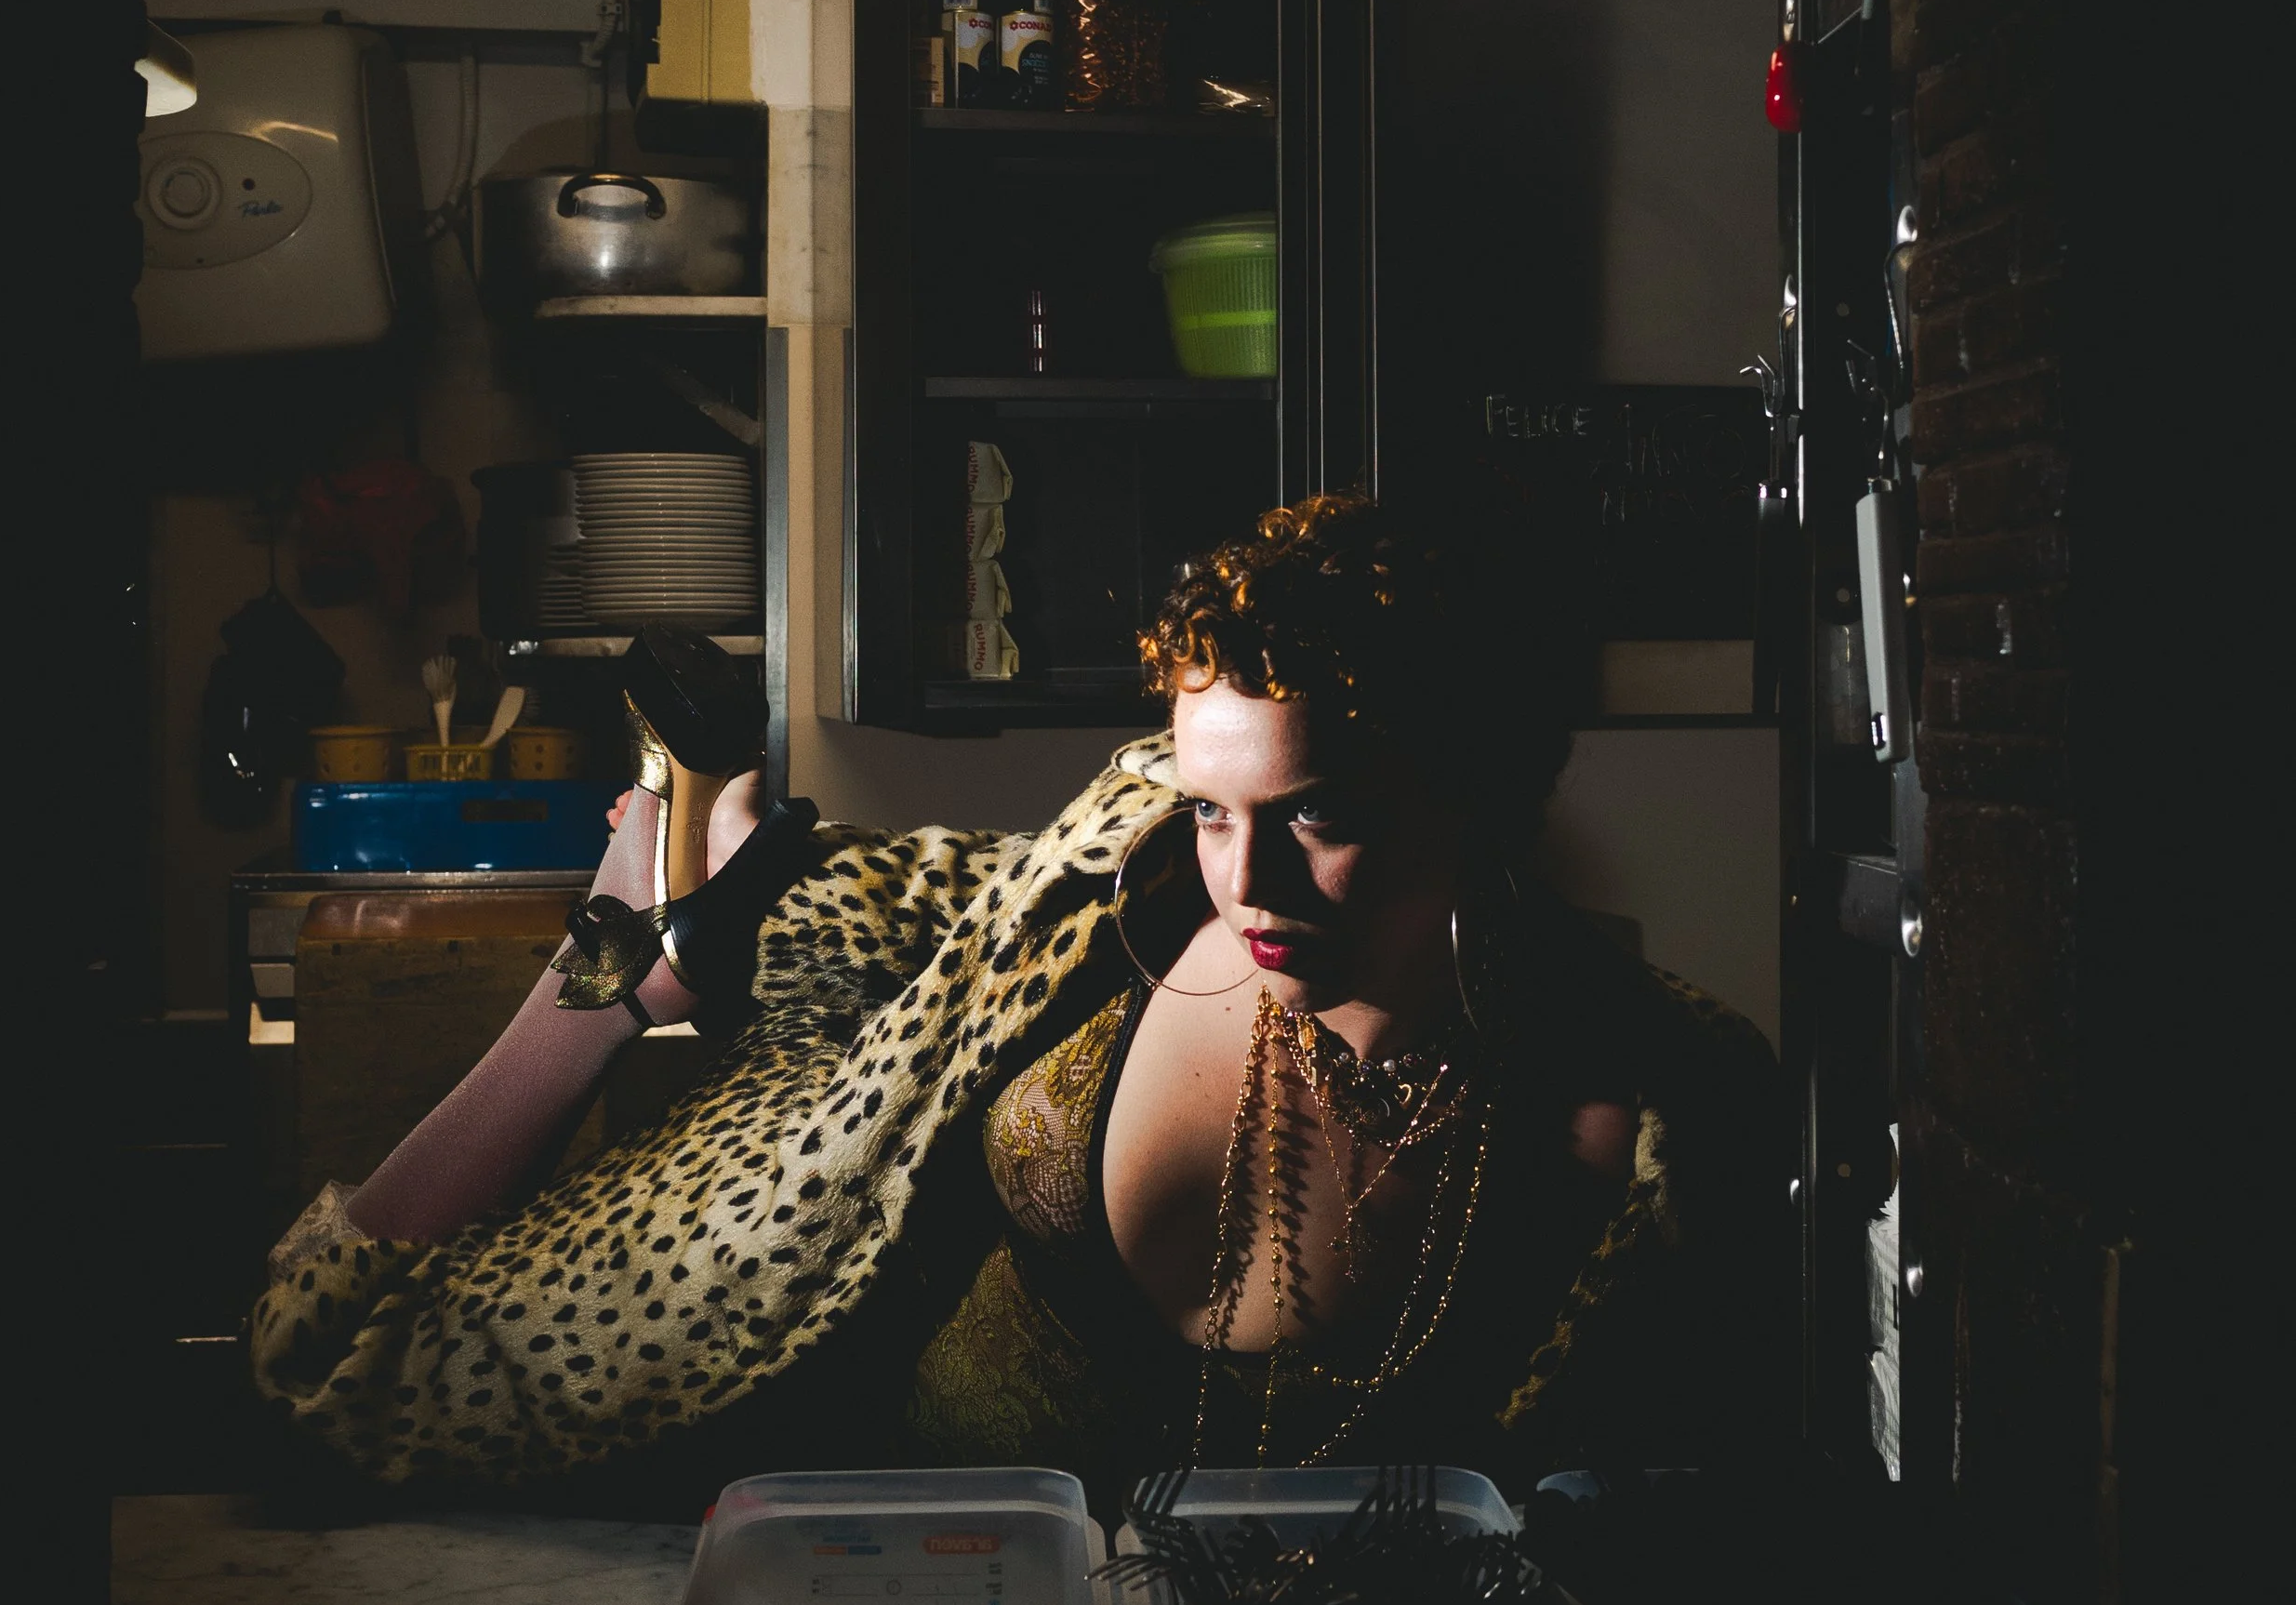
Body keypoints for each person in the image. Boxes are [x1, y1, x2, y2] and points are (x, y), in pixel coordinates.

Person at [252, 496, 1786, 1511]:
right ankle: (653, 928)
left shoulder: (1633, 1129)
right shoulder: (1114, 883)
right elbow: (948, 913)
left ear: (1479, 795)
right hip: (828, 1468)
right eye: (1209, 809)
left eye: (1319, 817)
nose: (1250, 879)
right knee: (320, 1355)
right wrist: (613, 961)